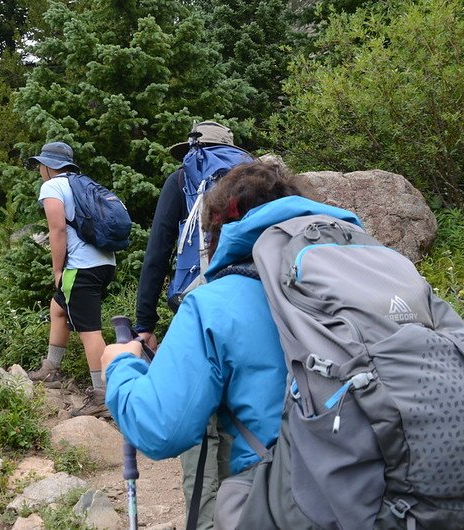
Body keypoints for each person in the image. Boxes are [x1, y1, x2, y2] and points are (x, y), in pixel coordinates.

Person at [101, 160, 363, 529]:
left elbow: (161, 430)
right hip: (378, 484)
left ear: (218, 232)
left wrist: (120, 366)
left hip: (291, 501)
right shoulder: (368, 275)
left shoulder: (214, 302)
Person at [134, 121, 252, 529]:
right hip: (249, 307)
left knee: (200, 433)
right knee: (236, 426)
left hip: (197, 307)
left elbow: (157, 253)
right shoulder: (254, 182)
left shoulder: (183, 177)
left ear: (192, 148)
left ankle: (202, 523)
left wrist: (143, 322)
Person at [26, 141, 116, 417]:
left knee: (89, 330)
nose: (40, 170)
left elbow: (57, 230)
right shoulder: (82, 183)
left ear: (48, 165)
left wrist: (57, 269)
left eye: (40, 165)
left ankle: (101, 395)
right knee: (59, 308)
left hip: (81, 268)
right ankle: (51, 368)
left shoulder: (52, 186)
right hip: (105, 262)